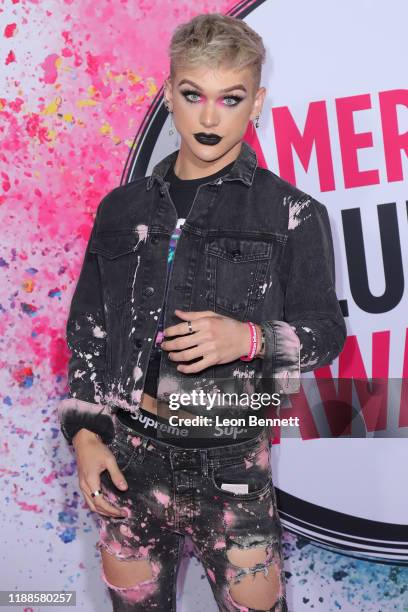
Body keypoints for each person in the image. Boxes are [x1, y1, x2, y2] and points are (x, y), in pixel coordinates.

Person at [58, 13, 346, 612]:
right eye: (193, 96)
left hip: (231, 464)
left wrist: (249, 337)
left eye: (230, 98)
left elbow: (327, 333)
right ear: (169, 95)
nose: (210, 118)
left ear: (256, 101)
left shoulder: (291, 212)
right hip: (127, 459)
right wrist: (86, 433)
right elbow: (88, 328)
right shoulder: (120, 209)